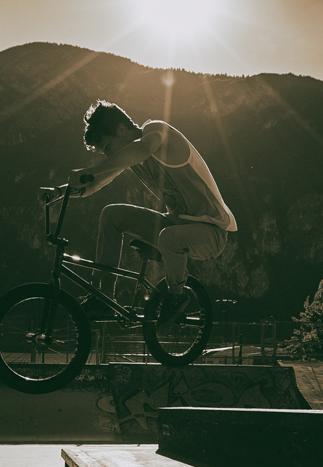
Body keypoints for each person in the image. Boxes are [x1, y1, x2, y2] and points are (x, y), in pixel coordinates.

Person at [67, 100, 237, 333]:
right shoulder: (133, 158)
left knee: (169, 237)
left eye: (107, 147)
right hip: (176, 225)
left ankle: (177, 296)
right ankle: (103, 297)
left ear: (121, 130)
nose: (108, 155)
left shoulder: (157, 130)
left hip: (211, 233)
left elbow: (143, 149)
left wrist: (90, 170)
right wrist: (60, 192)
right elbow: (98, 180)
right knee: (111, 215)